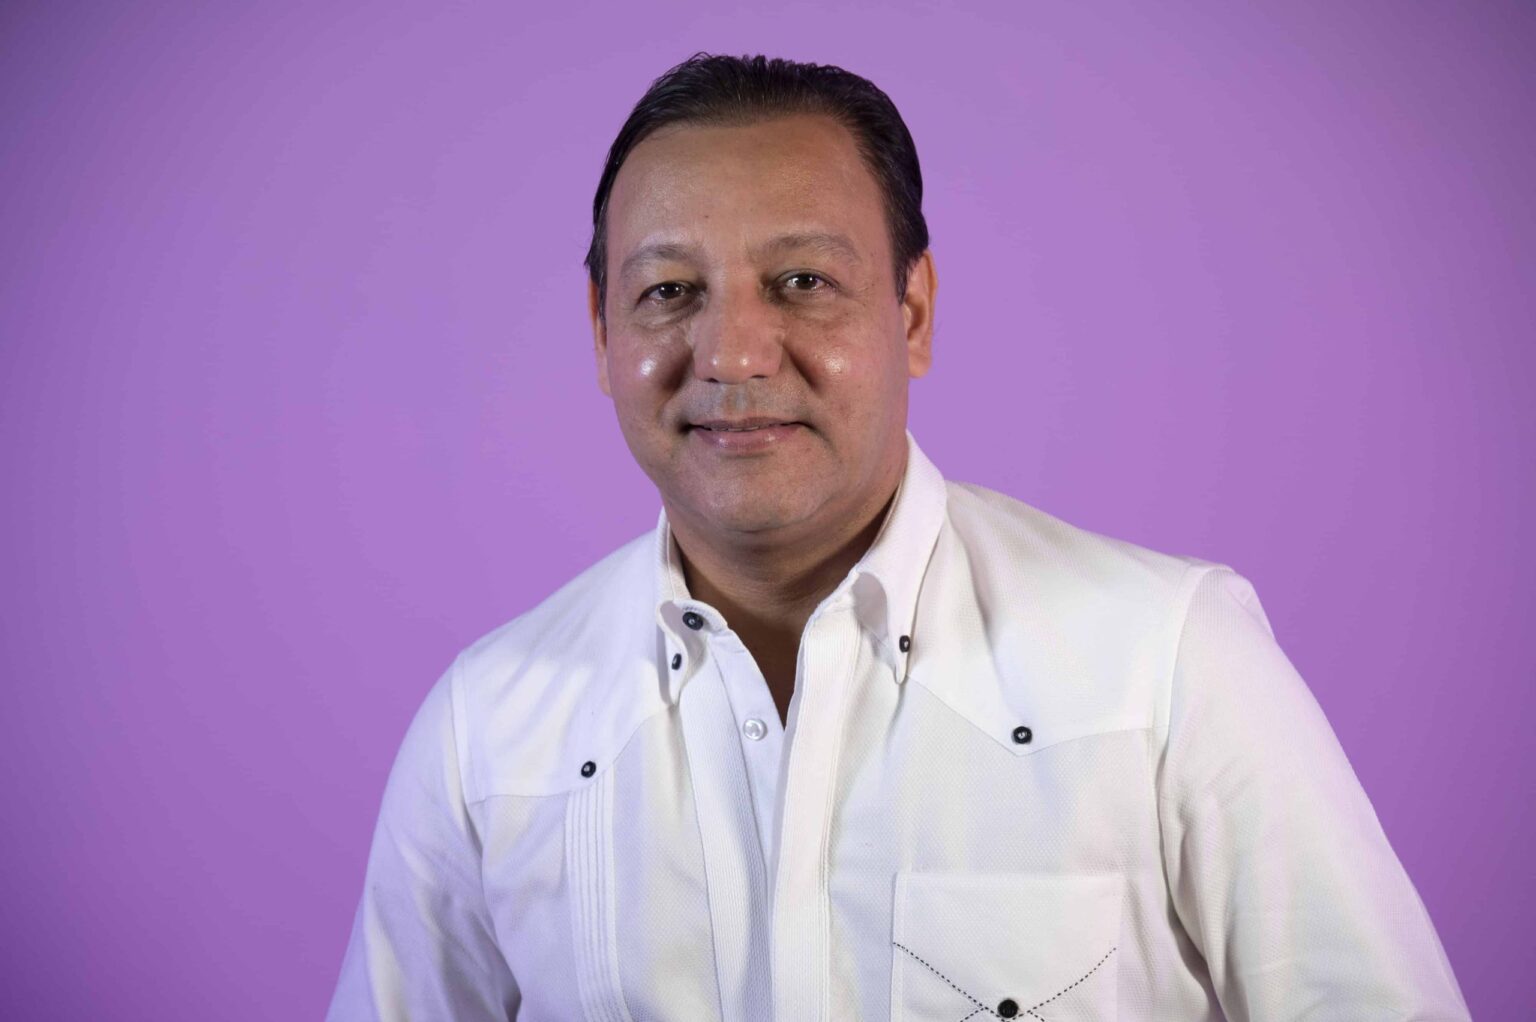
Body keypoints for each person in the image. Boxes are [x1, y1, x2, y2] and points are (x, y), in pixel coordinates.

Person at [326, 53, 1471, 1021]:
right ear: (599, 329)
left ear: (911, 312)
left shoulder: (1167, 661)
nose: (733, 353)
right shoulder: (486, 729)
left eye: (801, 280)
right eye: (670, 290)